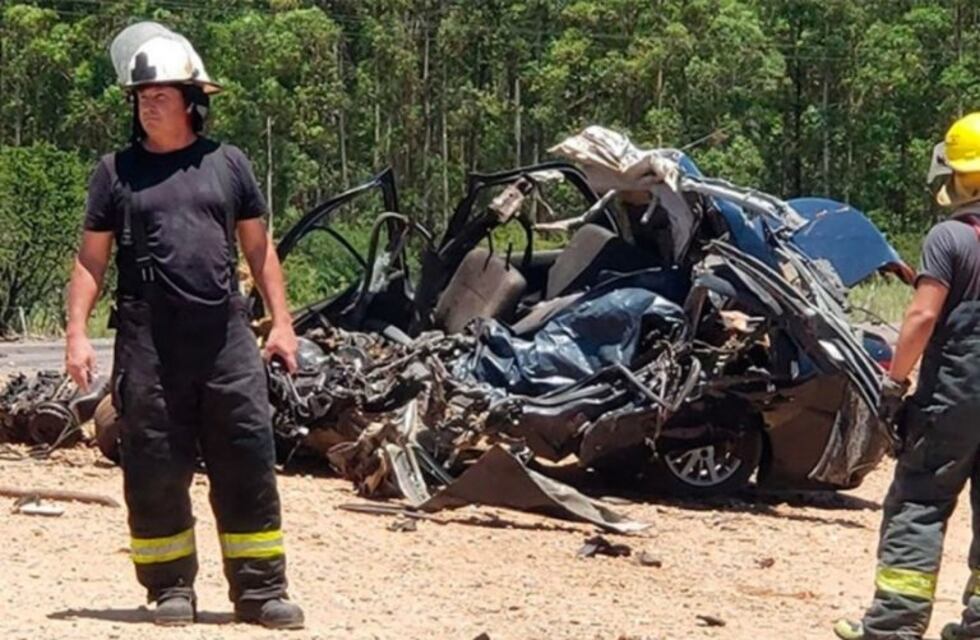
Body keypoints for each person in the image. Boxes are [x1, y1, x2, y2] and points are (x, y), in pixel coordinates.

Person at [64, 22, 304, 629]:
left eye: (162, 96)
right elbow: (90, 260)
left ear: (193, 102)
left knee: (246, 452)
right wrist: (75, 333)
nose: (149, 106)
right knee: (153, 461)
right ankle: (170, 587)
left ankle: (259, 591)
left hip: (225, 335)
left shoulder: (229, 165)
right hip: (149, 340)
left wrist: (282, 323)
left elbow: (259, 249)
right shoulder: (114, 173)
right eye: (142, 98)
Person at [835, 112, 980, 640]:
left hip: (956, 397)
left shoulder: (951, 237)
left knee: (920, 499)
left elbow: (920, 316)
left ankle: (894, 624)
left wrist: (894, 382)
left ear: (961, 176)